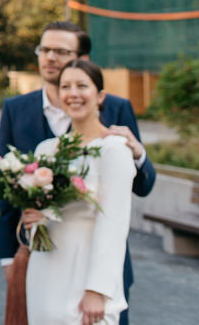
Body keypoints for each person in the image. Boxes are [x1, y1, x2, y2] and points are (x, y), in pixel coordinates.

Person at [0, 21, 155, 325]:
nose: (50, 57)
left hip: (97, 271)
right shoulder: (26, 123)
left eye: (61, 51)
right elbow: (5, 190)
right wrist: (19, 238)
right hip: (43, 265)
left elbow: (125, 204)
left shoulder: (116, 125)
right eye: (45, 49)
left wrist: (138, 154)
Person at [23, 59, 136, 325]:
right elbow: (42, 215)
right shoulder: (46, 150)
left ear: (100, 96)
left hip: (86, 272)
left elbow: (114, 223)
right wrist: (32, 219)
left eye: (81, 86)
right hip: (45, 270)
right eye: (65, 87)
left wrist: (97, 290)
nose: (73, 93)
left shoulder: (114, 150)